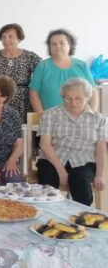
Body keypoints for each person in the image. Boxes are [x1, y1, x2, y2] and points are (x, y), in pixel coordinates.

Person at [37, 78, 107, 206]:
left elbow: (101, 150)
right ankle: (47, 219)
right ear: (62, 97)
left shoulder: (100, 119)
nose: (73, 103)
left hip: (83, 161)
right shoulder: (50, 114)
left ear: (88, 96)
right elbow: (44, 144)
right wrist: (61, 171)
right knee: (47, 185)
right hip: (53, 158)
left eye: (78, 98)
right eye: (68, 98)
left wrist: (100, 175)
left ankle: (80, 219)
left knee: (80, 180)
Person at [0, 24, 41, 119]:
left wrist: (34, 87)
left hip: (23, 100)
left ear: (19, 38)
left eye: (10, 36)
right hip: (0, 98)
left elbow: (42, 72)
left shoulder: (30, 56)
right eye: (3, 37)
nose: (6, 40)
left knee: (22, 130)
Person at [30, 29, 97, 113]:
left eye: (62, 43)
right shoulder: (42, 66)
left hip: (80, 119)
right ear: (49, 47)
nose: (57, 46)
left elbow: (93, 92)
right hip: (51, 119)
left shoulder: (82, 66)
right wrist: (42, 116)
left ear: (69, 45)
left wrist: (91, 114)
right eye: (53, 44)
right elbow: (34, 94)